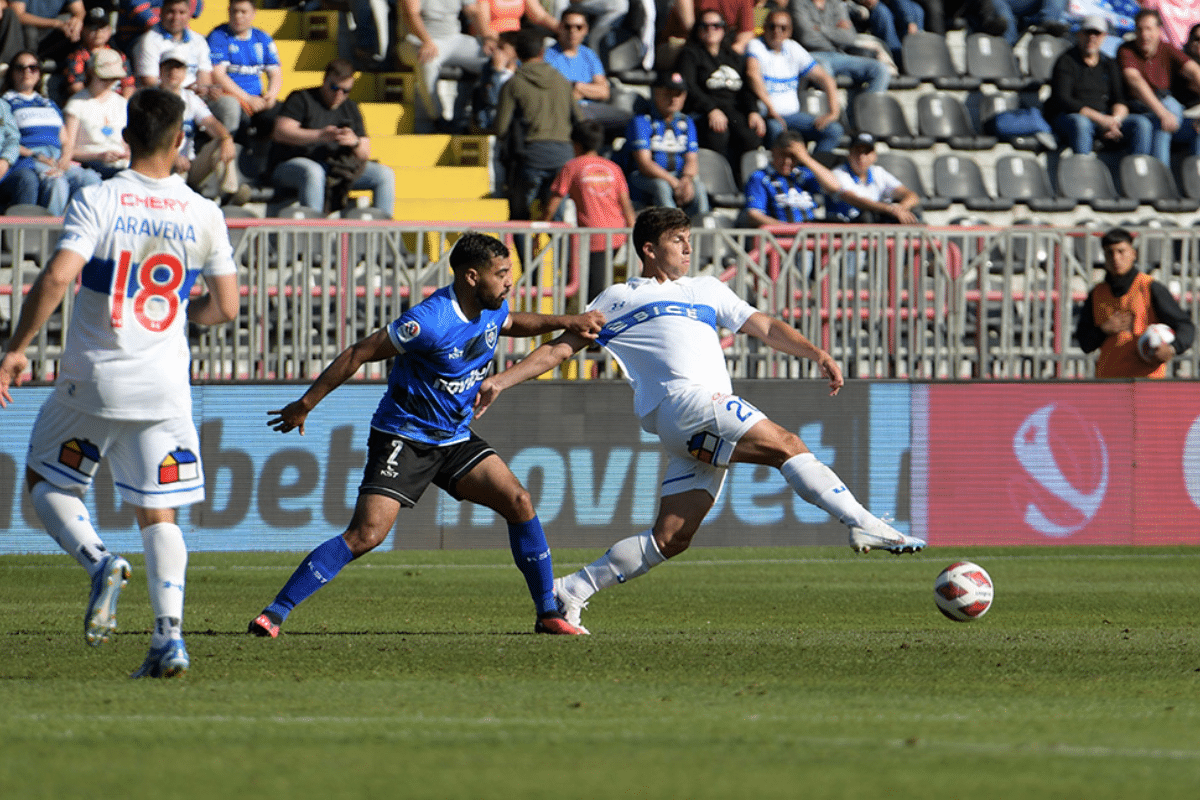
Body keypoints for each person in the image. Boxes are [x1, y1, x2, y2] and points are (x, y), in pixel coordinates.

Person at [474, 206, 926, 633]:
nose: (688, 249)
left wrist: (816, 353)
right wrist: (501, 382)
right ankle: (862, 521)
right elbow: (559, 349)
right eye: (677, 240)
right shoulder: (621, 296)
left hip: (693, 426)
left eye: (690, 240)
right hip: (687, 403)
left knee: (671, 538)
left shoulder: (708, 289)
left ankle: (570, 590)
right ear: (649, 249)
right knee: (787, 443)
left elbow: (764, 326)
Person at [246, 232, 605, 639]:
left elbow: (511, 322)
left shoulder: (491, 306)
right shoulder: (429, 322)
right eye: (501, 274)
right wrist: (306, 403)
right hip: (405, 437)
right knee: (366, 535)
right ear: (472, 276)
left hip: (452, 437)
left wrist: (565, 321)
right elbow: (358, 353)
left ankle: (548, 613)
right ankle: (275, 612)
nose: (509, 282)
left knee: (519, 501)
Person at [0, 87, 240, 678]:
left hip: (97, 377)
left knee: (45, 481)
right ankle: (168, 639)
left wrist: (17, 348)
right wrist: (182, 313)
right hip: (166, 386)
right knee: (160, 514)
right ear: (180, 140)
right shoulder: (204, 213)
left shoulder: (101, 198)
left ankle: (101, 561)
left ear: (127, 138)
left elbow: (58, 277)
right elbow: (227, 307)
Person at [269, 58, 395, 216]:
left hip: (335, 167)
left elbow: (365, 152)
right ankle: (314, 234)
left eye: (345, 90)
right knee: (313, 172)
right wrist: (320, 135)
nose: (339, 94)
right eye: (334, 87)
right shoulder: (302, 98)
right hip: (292, 164)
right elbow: (281, 132)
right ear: (324, 80)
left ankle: (383, 234)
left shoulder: (351, 108)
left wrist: (354, 143)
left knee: (384, 175)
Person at [1075, 227, 1194, 378]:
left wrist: (1171, 348)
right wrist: (1103, 330)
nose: (1116, 258)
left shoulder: (1150, 287)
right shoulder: (1097, 293)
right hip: (1108, 381)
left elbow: (1186, 327)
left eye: (1121, 251)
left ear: (1133, 254)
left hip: (1145, 382)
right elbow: (1085, 344)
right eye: (1109, 252)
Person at [543, 119, 636, 301]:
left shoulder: (571, 166)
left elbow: (552, 204)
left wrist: (541, 225)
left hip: (592, 236)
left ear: (576, 144)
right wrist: (632, 233)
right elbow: (626, 205)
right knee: (593, 283)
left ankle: (588, 323)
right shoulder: (613, 168)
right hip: (616, 234)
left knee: (592, 291)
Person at [495, 27, 578, 222]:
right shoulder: (563, 82)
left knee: (520, 219)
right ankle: (559, 253)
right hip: (563, 156)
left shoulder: (514, 84)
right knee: (555, 217)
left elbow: (500, 128)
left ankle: (526, 254)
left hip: (530, 156)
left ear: (517, 53)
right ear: (542, 52)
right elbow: (579, 120)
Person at [1, 49, 99, 215]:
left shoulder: (49, 103)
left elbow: (66, 140)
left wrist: (65, 159)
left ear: (39, 74)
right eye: (20, 67)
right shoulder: (6, 102)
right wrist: (38, 156)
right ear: (12, 73)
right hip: (29, 158)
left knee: (92, 180)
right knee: (57, 184)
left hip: (57, 157)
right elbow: (8, 141)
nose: (27, 71)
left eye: (33, 67)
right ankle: (50, 237)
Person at [673, 10, 763, 183]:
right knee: (718, 133)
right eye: (705, 26)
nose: (711, 30)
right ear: (697, 30)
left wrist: (753, 111)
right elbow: (689, 87)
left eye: (716, 26)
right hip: (703, 111)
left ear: (724, 30)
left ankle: (746, 184)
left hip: (732, 110)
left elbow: (746, 90)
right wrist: (711, 109)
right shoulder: (689, 55)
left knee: (751, 135)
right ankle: (716, 182)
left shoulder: (733, 57)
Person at [1044, 15, 1152, 157]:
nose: (1092, 38)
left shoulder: (1109, 64)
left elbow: (1120, 100)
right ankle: (1083, 170)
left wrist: (1115, 121)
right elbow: (1064, 100)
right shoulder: (1066, 61)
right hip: (1071, 117)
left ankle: (1139, 172)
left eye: (1097, 33)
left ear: (1104, 36)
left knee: (1142, 124)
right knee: (1082, 124)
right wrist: (1100, 120)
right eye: (1088, 32)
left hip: (1105, 118)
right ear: (1079, 34)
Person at [132, 0, 239, 135]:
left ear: (189, 14)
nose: (176, 17)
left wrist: (206, 89)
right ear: (162, 13)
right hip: (162, 96)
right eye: (171, 12)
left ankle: (223, 151)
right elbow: (150, 82)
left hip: (194, 96)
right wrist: (186, 89)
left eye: (182, 12)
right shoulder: (150, 40)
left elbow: (205, 78)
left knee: (229, 105)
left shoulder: (198, 40)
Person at [744, 8, 843, 152]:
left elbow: (826, 79)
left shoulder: (793, 48)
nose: (777, 31)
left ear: (790, 32)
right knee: (776, 128)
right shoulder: (756, 46)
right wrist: (771, 108)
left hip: (793, 117)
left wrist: (833, 113)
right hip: (768, 116)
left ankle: (811, 170)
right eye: (772, 26)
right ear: (764, 28)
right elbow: (752, 74)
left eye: (783, 28)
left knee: (834, 130)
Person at [1116, 9, 1200, 167]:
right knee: (1163, 123)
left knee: (1196, 126)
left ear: (1159, 30)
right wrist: (1163, 113)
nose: (1144, 35)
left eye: (1149, 29)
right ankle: (1162, 176)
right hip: (1141, 108)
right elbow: (1135, 81)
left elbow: (1194, 70)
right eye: (1139, 29)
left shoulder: (1166, 48)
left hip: (1168, 107)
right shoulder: (1126, 50)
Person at [158, 47, 242, 201]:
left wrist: (226, 138)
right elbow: (147, 138)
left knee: (221, 142)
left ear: (185, 72)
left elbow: (211, 123)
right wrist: (172, 156)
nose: (173, 72)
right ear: (160, 70)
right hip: (160, 166)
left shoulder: (191, 98)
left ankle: (230, 194)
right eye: (168, 67)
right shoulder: (149, 99)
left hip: (190, 164)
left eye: (178, 68)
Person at [624, 70, 708, 216]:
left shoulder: (686, 122)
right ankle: (673, 230)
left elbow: (692, 159)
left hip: (678, 177)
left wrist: (686, 180)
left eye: (678, 94)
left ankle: (702, 233)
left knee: (698, 187)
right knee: (662, 186)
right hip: (643, 177)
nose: (673, 99)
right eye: (668, 93)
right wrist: (674, 183)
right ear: (656, 93)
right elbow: (644, 164)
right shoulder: (642, 121)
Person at [398, 0, 489, 133]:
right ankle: (438, 117)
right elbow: (411, 14)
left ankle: (484, 116)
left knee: (492, 58)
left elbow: (474, 11)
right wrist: (427, 41)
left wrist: (488, 38)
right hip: (416, 39)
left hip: (453, 38)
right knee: (428, 61)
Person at [544, 6, 633, 137]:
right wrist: (587, 90)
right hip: (565, 111)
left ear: (585, 30)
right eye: (568, 27)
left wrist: (577, 87)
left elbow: (604, 91)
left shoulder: (589, 55)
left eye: (578, 27)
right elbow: (556, 93)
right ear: (560, 27)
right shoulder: (547, 56)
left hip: (591, 108)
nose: (572, 31)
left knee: (632, 121)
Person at [206, 0, 282, 141]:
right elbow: (217, 75)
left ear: (253, 13)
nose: (238, 16)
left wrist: (271, 96)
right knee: (238, 117)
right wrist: (247, 99)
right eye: (234, 11)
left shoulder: (262, 38)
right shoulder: (218, 36)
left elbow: (275, 72)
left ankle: (265, 160)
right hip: (228, 97)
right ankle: (227, 153)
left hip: (257, 99)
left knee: (281, 117)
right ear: (229, 11)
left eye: (243, 12)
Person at [789, 0, 890, 97]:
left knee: (880, 69)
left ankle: (867, 110)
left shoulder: (836, 3)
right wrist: (836, 32)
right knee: (824, 69)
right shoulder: (798, 3)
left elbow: (849, 38)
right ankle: (831, 112)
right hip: (811, 54)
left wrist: (820, 28)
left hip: (838, 54)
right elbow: (808, 38)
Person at [741, 130, 843, 226]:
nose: (787, 161)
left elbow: (835, 187)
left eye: (793, 156)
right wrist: (788, 229)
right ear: (773, 152)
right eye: (783, 155)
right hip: (780, 238)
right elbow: (754, 215)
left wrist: (806, 158)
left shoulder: (804, 175)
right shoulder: (760, 177)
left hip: (810, 237)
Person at [60, 47, 130, 181]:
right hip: (89, 167)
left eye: (114, 78)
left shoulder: (122, 103)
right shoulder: (76, 104)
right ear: (91, 73)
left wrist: (128, 153)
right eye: (105, 78)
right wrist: (98, 156)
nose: (110, 82)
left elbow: (127, 143)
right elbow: (68, 150)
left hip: (121, 166)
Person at [825, 131, 920, 223]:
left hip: (871, 227)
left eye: (866, 152)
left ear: (874, 156)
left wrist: (901, 209)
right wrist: (889, 209)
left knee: (914, 212)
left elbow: (912, 196)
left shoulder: (878, 172)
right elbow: (853, 199)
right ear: (849, 154)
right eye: (857, 151)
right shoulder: (838, 173)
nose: (862, 157)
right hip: (844, 228)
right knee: (867, 216)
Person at [62, 8, 136, 101]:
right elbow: (75, 86)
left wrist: (123, 103)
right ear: (83, 30)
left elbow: (128, 84)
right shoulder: (77, 56)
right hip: (89, 101)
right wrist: (97, 103)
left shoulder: (118, 55)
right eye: (93, 28)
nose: (98, 32)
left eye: (102, 27)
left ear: (109, 30)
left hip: (116, 101)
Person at [8, 0, 83, 66]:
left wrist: (76, 22)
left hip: (51, 32)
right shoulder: (55, 23)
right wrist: (55, 24)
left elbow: (80, 11)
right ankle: (30, 66)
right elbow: (17, 15)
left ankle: (71, 67)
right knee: (30, 32)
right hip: (25, 31)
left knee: (72, 24)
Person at [0, 90, 32, 210]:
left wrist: (5, 160)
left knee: (27, 179)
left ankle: (25, 229)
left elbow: (13, 139)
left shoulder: (1, 106)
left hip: (3, 168)